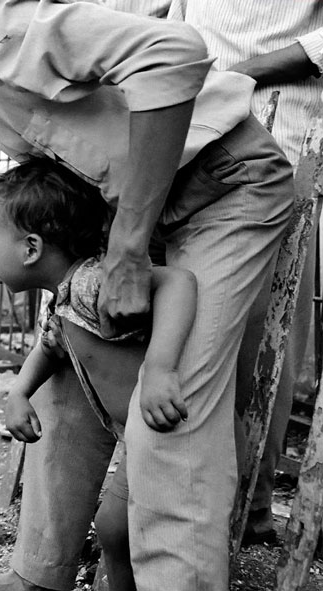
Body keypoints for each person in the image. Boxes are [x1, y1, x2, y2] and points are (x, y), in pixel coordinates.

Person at [0, 1, 295, 589]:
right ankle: (38, 578)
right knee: (66, 370)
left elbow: (171, 54)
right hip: (143, 201)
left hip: (223, 188)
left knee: (173, 407)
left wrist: (125, 250)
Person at [105, 0, 323, 548]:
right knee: (183, 327)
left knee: (259, 339)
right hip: (192, 133)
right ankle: (152, 509)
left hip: (279, 137)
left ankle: (243, 509)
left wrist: (242, 73)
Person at [0, 159, 196, 590]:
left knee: (118, 529)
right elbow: (49, 344)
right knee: (115, 531)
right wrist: (19, 393)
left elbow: (178, 283)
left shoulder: (90, 282)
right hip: (138, 439)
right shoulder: (63, 297)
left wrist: (158, 369)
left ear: (30, 249)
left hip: (167, 432)